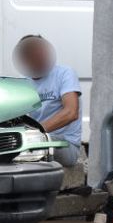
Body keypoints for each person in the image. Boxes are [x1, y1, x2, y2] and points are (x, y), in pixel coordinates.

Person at [13, 35, 82, 167]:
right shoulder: (23, 81)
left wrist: (35, 132)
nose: (38, 57)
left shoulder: (64, 73)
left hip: (65, 145)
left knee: (30, 144)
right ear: (23, 59)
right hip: (35, 139)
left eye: (40, 52)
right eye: (31, 54)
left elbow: (71, 112)